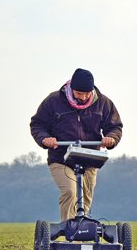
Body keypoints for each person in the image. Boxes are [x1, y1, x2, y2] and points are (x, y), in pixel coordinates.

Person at [30, 68, 123, 221]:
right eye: (79, 93)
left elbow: (115, 127)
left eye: (87, 93)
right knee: (71, 192)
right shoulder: (53, 101)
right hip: (61, 158)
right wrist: (45, 138)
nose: (83, 97)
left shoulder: (103, 103)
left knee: (84, 201)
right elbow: (37, 124)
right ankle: (69, 232)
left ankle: (81, 234)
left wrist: (111, 138)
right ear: (71, 88)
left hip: (90, 158)